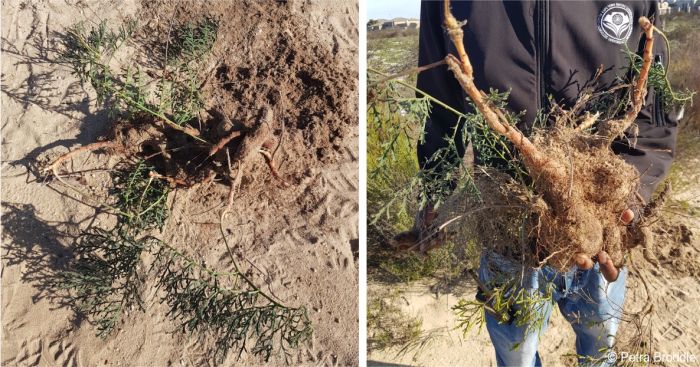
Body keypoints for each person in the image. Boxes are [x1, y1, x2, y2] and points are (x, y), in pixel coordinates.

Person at [411, 1, 678, 366]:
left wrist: (630, 199)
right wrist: (435, 194)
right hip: (505, 225)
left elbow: (651, 116)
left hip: (603, 231)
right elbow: (438, 103)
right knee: (515, 352)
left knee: (600, 351)